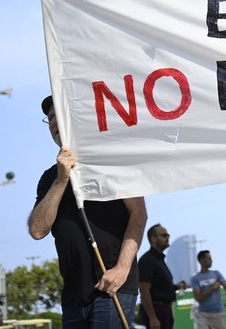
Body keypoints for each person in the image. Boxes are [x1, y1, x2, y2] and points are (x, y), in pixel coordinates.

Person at [29, 96, 146, 329]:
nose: (54, 123)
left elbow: (139, 214)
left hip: (113, 288)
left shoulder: (110, 162)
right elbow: (37, 230)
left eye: (58, 116)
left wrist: (121, 269)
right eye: (49, 118)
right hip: (73, 298)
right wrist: (62, 180)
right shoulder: (49, 179)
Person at [138, 224, 177, 329]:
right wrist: (153, 317)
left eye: (168, 235)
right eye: (164, 235)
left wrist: (176, 287)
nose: (168, 238)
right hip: (157, 310)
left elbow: (160, 286)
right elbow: (144, 290)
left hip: (165, 310)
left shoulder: (159, 260)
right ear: (154, 239)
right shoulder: (148, 260)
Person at [191, 250, 226, 329]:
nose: (211, 261)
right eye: (209, 258)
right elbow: (198, 297)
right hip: (203, 314)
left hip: (218, 313)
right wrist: (212, 289)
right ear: (202, 260)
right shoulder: (195, 278)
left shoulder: (216, 274)